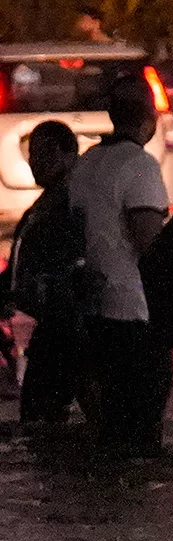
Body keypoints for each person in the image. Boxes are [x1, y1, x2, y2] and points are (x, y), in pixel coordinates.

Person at [70, 74, 171, 458]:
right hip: (135, 311)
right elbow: (148, 240)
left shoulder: (87, 164)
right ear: (150, 117)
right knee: (141, 432)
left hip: (96, 310)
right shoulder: (140, 165)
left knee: (110, 430)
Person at [1, 121, 83, 425]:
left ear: (68, 153)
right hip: (49, 325)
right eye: (32, 153)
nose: (36, 161)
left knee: (45, 412)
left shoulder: (73, 201)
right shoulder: (43, 206)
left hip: (68, 327)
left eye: (45, 153)